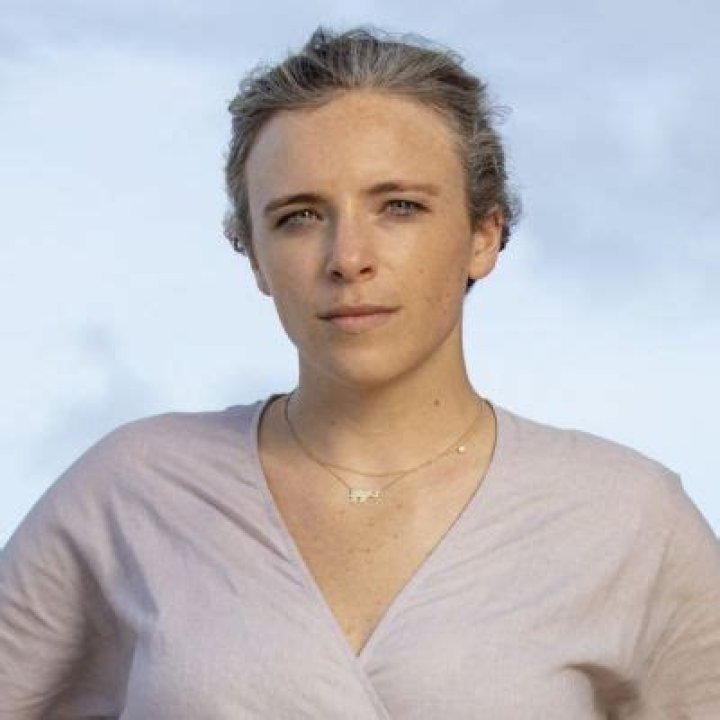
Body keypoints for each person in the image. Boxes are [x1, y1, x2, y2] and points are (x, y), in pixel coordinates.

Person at [1, 25, 719, 720]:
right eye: (299, 216)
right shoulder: (132, 491)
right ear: (254, 256)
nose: (348, 258)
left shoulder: (628, 518)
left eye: (399, 207)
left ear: (483, 234)